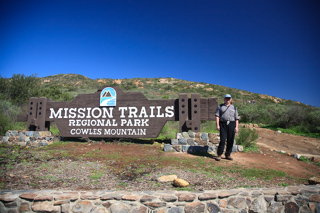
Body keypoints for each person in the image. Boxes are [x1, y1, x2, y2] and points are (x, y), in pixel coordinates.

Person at [215, 94, 239, 161]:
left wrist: (236, 127)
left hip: (231, 124)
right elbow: (217, 116)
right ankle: (219, 154)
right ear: (224, 99)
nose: (227, 100)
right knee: (222, 139)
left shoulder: (234, 108)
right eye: (226, 98)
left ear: (230, 99)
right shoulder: (220, 106)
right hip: (223, 124)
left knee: (230, 140)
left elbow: (236, 118)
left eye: (229, 99)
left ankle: (228, 154)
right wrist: (217, 125)